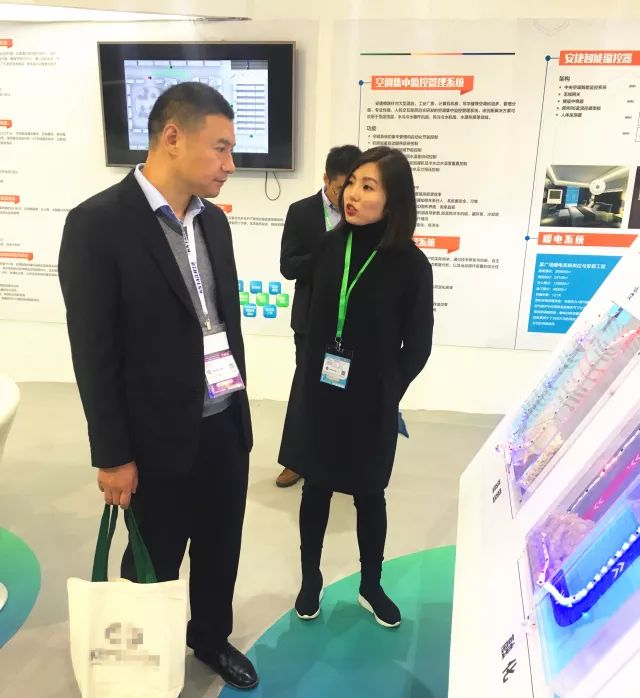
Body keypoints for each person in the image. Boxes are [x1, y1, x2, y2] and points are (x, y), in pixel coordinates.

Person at [58, 82, 258, 690]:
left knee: (221, 549)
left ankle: (210, 638)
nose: (230, 164)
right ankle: (142, 661)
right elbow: (94, 355)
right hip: (152, 439)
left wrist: (239, 417)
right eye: (220, 147)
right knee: (154, 558)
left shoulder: (213, 223)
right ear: (173, 137)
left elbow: (220, 324)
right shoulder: (97, 225)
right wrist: (112, 455)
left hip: (223, 421)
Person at [278, 146, 434, 628]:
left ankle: (371, 584)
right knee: (316, 489)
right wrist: (311, 382)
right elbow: (315, 321)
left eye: (368, 187)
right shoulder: (329, 247)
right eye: (352, 184)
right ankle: (310, 579)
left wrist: (388, 391)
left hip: (372, 402)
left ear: (393, 199)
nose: (353, 194)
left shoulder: (411, 265)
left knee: (370, 494)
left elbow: (418, 345)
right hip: (322, 394)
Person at [276, 144, 362, 488]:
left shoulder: (363, 213)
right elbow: (288, 266)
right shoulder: (301, 212)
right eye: (342, 187)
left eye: (354, 185)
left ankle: (340, 459)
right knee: (307, 390)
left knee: (346, 390)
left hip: (352, 321)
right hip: (311, 320)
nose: (348, 196)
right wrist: (325, 256)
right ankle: (295, 461)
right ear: (326, 179)